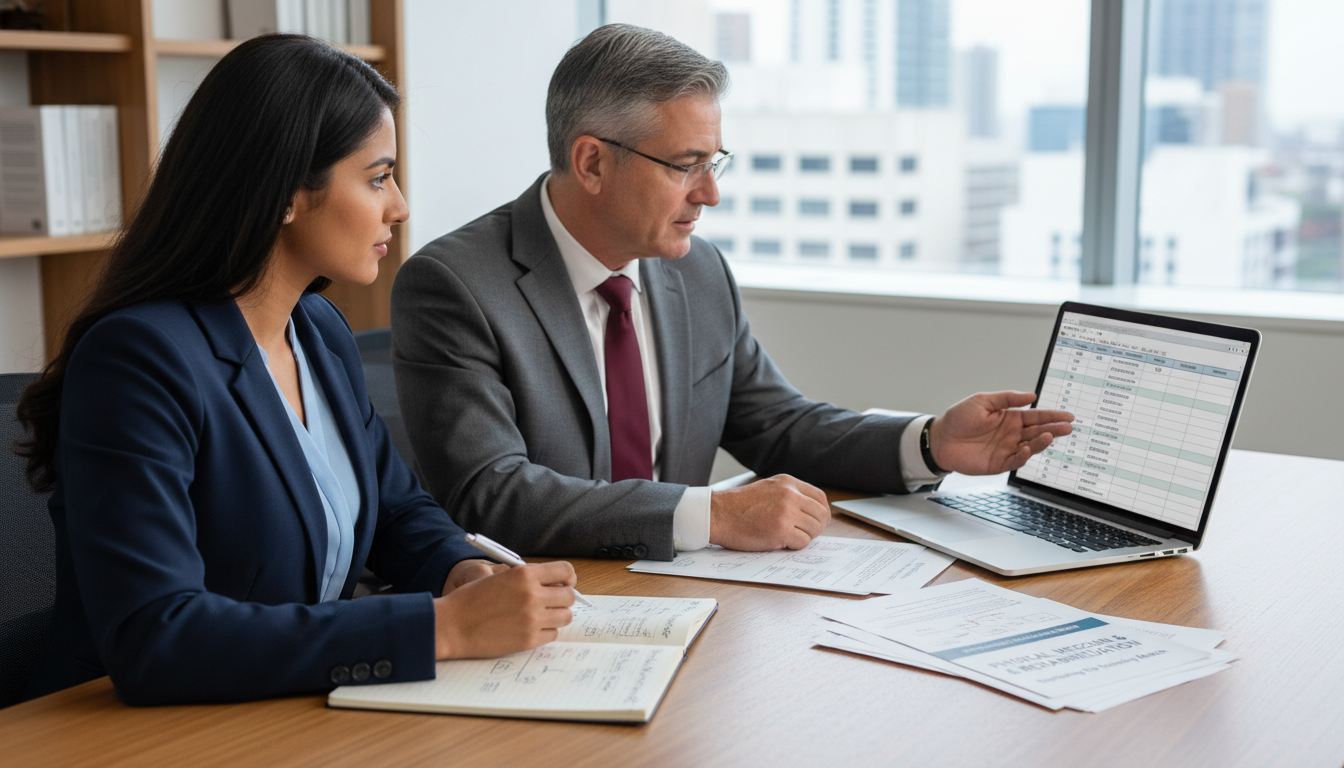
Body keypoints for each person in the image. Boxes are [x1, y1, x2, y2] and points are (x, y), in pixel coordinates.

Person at [14, 35, 575, 706]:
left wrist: (460, 571)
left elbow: (395, 509)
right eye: (377, 177)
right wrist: (438, 629)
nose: (399, 205)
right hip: (134, 736)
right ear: (284, 192)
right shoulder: (139, 360)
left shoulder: (319, 332)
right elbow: (156, 634)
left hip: (290, 711)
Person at [390, 24, 1074, 562]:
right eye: (685, 166)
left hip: (688, 607)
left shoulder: (696, 272)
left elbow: (778, 425)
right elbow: (491, 495)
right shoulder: (456, 286)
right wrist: (710, 513)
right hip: (545, 612)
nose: (710, 194)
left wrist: (928, 444)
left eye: (713, 163)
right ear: (592, 162)